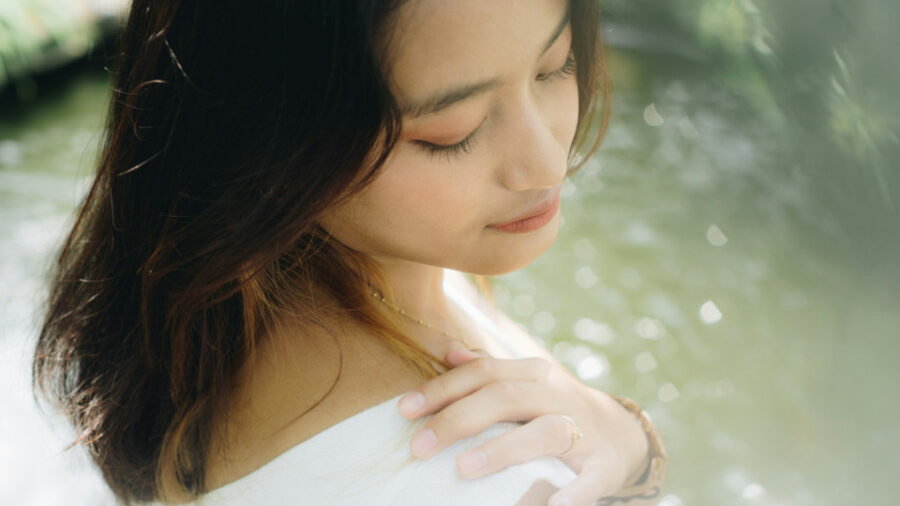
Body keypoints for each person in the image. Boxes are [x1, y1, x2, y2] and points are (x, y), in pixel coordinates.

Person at [33, 0, 667, 504]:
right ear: (274, 144)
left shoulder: (217, 327)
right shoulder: (493, 480)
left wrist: (622, 434)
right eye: (454, 133)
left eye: (553, 67)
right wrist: (632, 446)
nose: (547, 161)